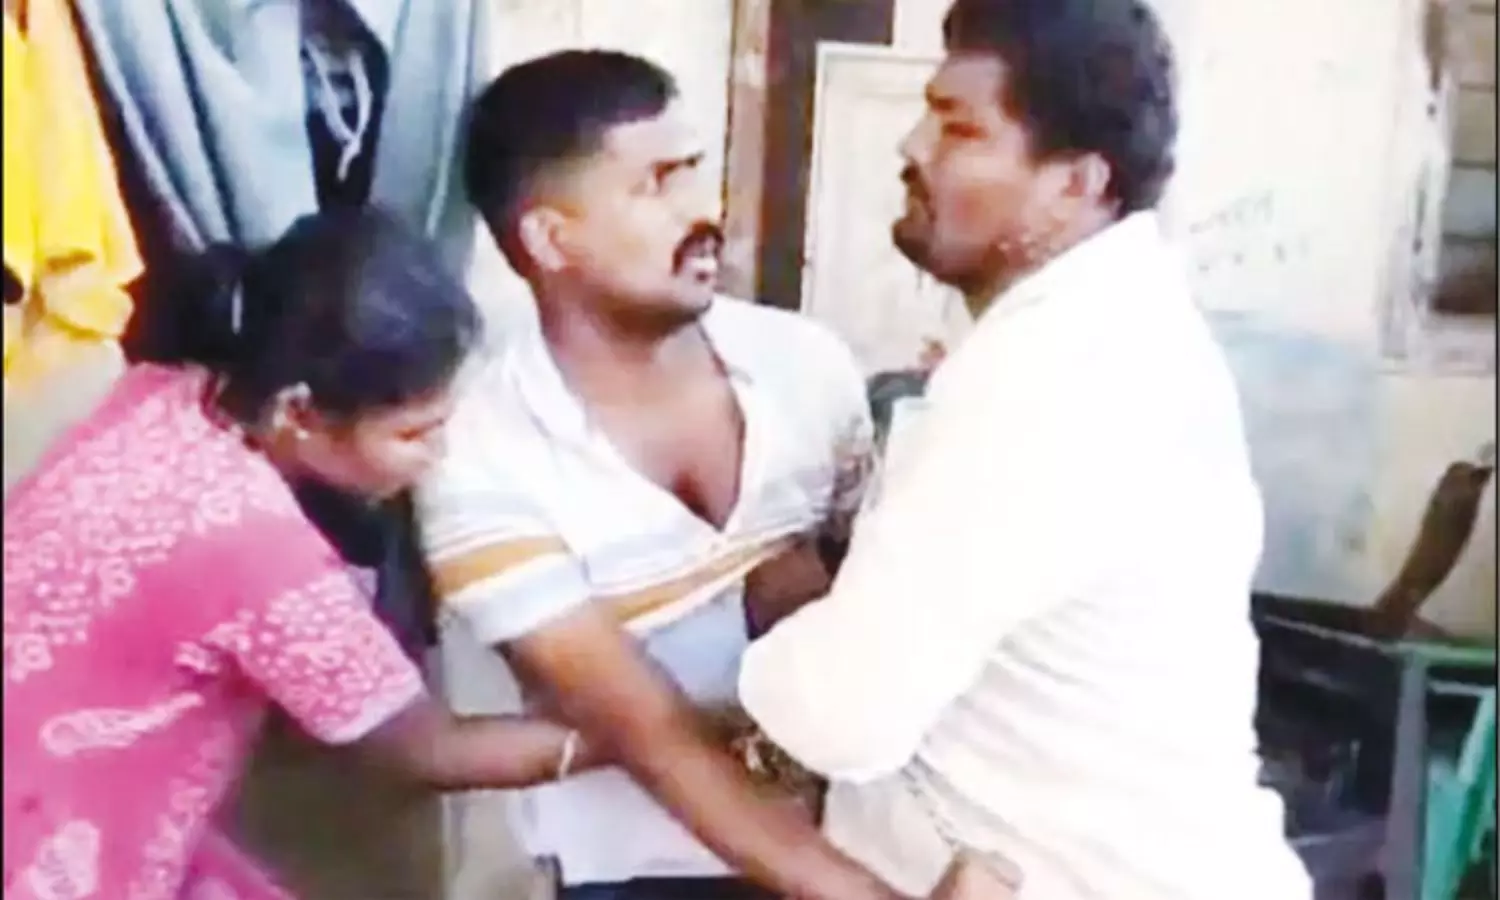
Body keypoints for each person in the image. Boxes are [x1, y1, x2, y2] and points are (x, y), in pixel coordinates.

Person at [738, 1, 1316, 898]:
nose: (913, 147)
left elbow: (840, 713)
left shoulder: (1058, 376)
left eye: (960, 128)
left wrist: (774, 618)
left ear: (1075, 184)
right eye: (928, 113)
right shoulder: (1098, 334)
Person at [2, 207, 614, 900]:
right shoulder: (255, 547)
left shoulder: (162, 396)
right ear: (297, 412)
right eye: (414, 434)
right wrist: (636, 734)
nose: (436, 458)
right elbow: (424, 751)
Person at [416, 51, 908, 900]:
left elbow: (872, 597)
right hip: (637, 873)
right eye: (656, 185)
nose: (704, 211)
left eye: (695, 172)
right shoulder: (484, 450)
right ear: (551, 239)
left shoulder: (806, 366)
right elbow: (649, 733)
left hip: (856, 831)